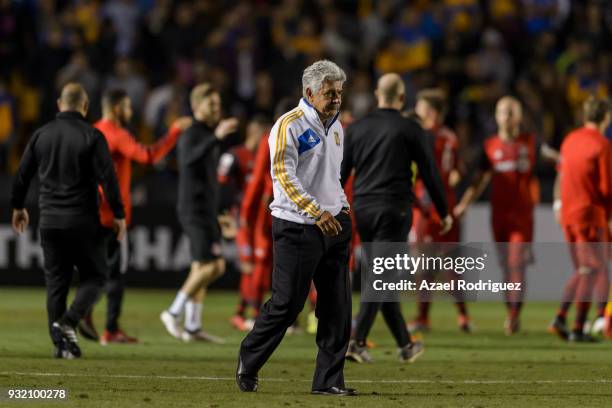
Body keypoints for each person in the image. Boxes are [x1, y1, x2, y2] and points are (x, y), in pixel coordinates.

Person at [236, 60, 355, 396]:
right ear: (309, 92)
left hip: (335, 225)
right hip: (297, 226)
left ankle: (329, 381)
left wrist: (342, 208)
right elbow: (283, 178)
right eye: (329, 93)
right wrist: (317, 212)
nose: (336, 99)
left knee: (337, 308)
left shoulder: (336, 127)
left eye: (339, 93)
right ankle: (249, 357)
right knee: (288, 304)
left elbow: (333, 176)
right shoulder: (288, 125)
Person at [341, 73, 452, 364]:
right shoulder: (411, 128)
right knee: (381, 277)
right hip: (394, 210)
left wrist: (331, 205)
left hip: (362, 209)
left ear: (378, 93)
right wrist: (444, 211)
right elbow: (430, 174)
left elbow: (341, 173)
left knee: (383, 276)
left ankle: (405, 344)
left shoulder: (356, 128)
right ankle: (356, 342)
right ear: (402, 99)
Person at [10, 83, 126, 359]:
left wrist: (17, 207)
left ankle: (61, 345)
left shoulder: (41, 135)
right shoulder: (92, 136)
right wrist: (119, 214)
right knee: (97, 277)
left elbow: (22, 175)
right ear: (85, 107)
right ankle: (68, 323)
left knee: (56, 284)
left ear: (60, 104)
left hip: (49, 221)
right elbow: (108, 179)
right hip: (83, 221)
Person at [77, 88, 192, 344]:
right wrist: (173, 132)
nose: (130, 112)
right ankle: (108, 328)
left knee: (98, 270)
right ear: (117, 108)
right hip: (113, 216)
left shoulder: (90, 131)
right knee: (116, 274)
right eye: (127, 107)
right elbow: (148, 156)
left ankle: (85, 313)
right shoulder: (116, 134)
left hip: (89, 212)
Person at [454, 96, 557, 335]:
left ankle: (513, 315)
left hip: (522, 218)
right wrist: (464, 204)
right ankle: (511, 310)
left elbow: (556, 159)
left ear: (520, 117)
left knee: (516, 264)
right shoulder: (489, 146)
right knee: (505, 268)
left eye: (512, 112)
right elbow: (479, 180)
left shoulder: (531, 143)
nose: (507, 117)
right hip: (498, 216)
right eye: (503, 112)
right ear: (497, 117)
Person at [160, 83, 238, 343]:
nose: (216, 108)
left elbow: (209, 180)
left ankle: (193, 326)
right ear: (196, 107)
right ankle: (173, 311)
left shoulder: (204, 134)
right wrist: (216, 137)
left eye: (217, 104)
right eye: (211, 104)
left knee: (201, 266)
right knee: (215, 265)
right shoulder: (192, 134)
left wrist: (220, 212)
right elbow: (190, 159)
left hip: (206, 209)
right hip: (193, 208)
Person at [549, 96, 611, 342]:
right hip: (590, 214)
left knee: (584, 269)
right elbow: (607, 188)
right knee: (590, 269)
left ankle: (562, 318)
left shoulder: (569, 140)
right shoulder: (602, 145)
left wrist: (558, 204)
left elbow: (561, 176)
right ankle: (575, 327)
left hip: (568, 215)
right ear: (605, 117)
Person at [409, 88, 471, 333]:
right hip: (448, 204)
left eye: (421, 108)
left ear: (431, 113)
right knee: (450, 264)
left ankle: (423, 318)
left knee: (422, 262)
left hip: (427, 204)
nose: (417, 112)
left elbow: (419, 169)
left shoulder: (424, 135)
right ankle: (464, 316)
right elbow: (459, 170)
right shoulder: (451, 136)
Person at [222, 116, 270, 331]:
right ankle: (244, 313)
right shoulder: (234, 156)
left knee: (259, 266)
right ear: (254, 133)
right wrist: (225, 216)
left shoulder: (265, 159)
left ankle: (245, 313)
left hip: (258, 218)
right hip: (241, 218)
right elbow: (221, 187)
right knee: (249, 266)